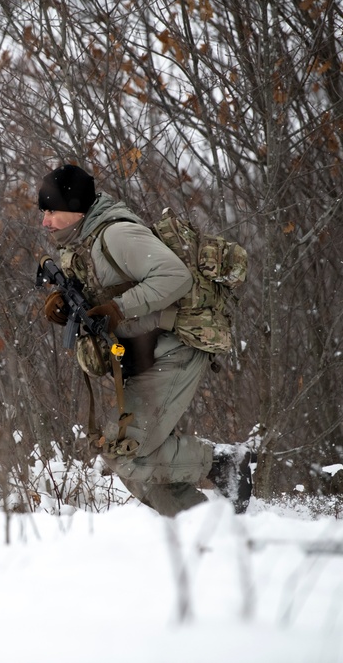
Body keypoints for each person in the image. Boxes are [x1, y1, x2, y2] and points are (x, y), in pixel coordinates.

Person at [38, 163, 252, 516]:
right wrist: (70, 309)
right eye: (44, 211)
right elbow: (111, 293)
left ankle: (222, 464)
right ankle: (202, 529)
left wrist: (117, 308)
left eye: (52, 211)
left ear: (76, 208)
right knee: (138, 469)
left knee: (129, 452)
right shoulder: (82, 243)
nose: (45, 221)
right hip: (146, 350)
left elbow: (175, 277)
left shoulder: (116, 235)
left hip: (177, 341)